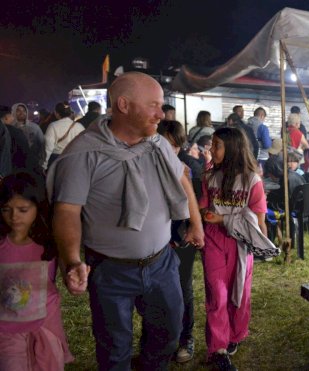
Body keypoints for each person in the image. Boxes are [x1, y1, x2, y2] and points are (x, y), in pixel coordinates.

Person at [48, 72, 204, 370]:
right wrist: (71, 259)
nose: (162, 114)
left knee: (167, 335)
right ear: (123, 105)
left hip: (161, 263)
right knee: (114, 349)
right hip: (110, 271)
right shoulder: (84, 153)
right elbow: (66, 211)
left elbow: (182, 178)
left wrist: (195, 223)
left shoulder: (157, 143)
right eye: (154, 106)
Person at [199, 127, 278, 370]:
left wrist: (261, 244)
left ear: (232, 148)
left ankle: (236, 334)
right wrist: (205, 216)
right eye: (212, 145)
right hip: (213, 241)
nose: (211, 149)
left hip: (241, 243)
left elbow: (258, 217)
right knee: (217, 294)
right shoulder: (209, 177)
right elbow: (202, 207)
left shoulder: (252, 180)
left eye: (217, 145)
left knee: (239, 292)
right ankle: (218, 348)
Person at [0, 172, 74, 370]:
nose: (14, 216)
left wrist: (74, 276)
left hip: (45, 326)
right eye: (6, 209)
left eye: (23, 209)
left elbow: (70, 270)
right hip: (7, 329)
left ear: (38, 207)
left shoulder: (50, 243)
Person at [156, 119, 201, 363]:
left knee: (183, 288)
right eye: (165, 143)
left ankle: (186, 338)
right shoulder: (148, 164)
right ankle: (161, 341)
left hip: (180, 239)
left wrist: (184, 234)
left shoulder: (188, 168)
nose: (169, 150)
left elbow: (192, 207)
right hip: (155, 241)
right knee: (156, 294)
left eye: (175, 146)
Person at [44, 102, 84, 169]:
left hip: (57, 160)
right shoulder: (79, 126)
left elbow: (48, 147)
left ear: (56, 113)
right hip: (75, 160)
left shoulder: (53, 126)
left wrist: (44, 165)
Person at [11, 103, 45, 170]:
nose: (22, 113)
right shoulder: (9, 128)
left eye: (24, 110)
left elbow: (42, 145)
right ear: (13, 112)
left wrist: (42, 162)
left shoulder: (34, 127)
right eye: (18, 110)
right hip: (14, 165)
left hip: (32, 164)